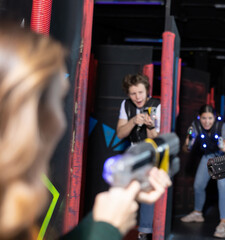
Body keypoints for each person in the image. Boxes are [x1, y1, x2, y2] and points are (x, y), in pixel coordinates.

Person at [0, 23, 171, 240]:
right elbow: (120, 134)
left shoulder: (13, 206)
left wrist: (101, 222)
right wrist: (105, 229)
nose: (61, 122)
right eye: (58, 101)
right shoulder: (126, 107)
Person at [116, 73, 161, 240]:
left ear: (147, 91)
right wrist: (133, 121)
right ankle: (119, 226)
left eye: (140, 92)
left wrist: (150, 126)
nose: (137, 97)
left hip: (151, 152)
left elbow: (156, 140)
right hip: (134, 151)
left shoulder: (157, 105)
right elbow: (120, 133)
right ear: (128, 94)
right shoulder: (126, 105)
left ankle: (145, 232)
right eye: (133, 93)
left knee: (147, 186)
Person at [180, 104, 225, 238]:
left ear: (214, 117)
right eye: (204, 118)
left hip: (223, 157)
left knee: (223, 187)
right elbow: (186, 149)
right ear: (199, 117)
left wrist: (224, 147)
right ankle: (197, 213)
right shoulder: (195, 125)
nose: (206, 122)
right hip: (208, 156)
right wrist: (188, 143)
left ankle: (224, 222)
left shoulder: (221, 126)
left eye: (209, 118)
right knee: (198, 185)